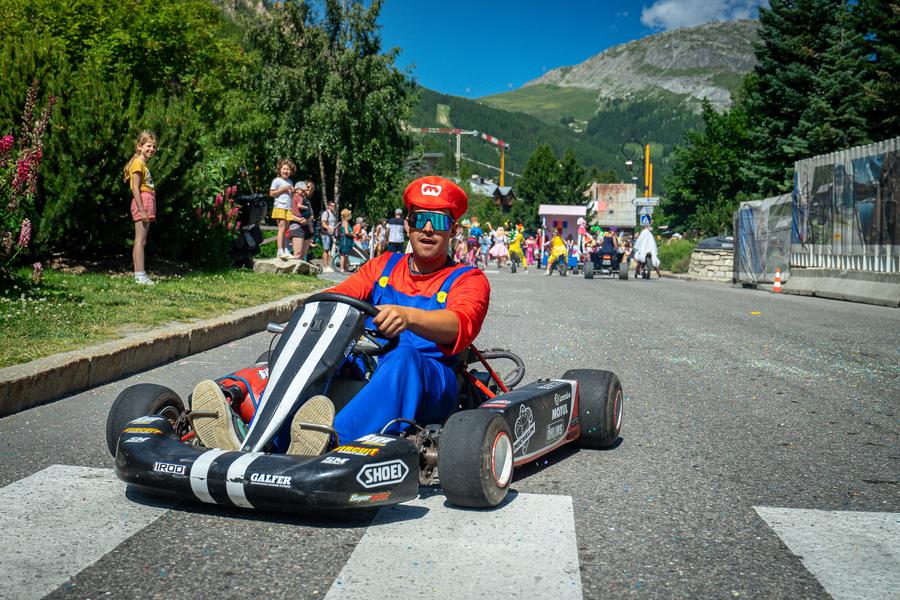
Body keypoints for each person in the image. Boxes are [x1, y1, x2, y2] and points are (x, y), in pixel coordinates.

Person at [189, 175, 490, 454]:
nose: (427, 229)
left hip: (431, 379)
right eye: (419, 219)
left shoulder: (468, 279)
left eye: (438, 220)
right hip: (370, 363)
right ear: (408, 225)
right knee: (319, 354)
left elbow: (460, 324)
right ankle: (247, 417)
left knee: (404, 358)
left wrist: (408, 317)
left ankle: (330, 441)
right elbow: (339, 297)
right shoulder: (384, 266)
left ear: (453, 229)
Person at [124, 130, 158, 285]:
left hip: (147, 199)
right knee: (139, 241)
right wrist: (142, 209)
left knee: (142, 241)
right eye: (148, 146)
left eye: (154, 147)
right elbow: (135, 188)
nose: (152, 149)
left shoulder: (143, 164)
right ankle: (140, 275)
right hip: (142, 201)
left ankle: (140, 275)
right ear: (139, 146)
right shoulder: (137, 163)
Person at [269, 159, 296, 259]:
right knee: (282, 228)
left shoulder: (290, 182)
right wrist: (282, 189)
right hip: (280, 207)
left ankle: (285, 249)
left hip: (288, 208)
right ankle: (280, 250)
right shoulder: (277, 180)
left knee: (286, 230)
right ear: (280, 170)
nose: (286, 171)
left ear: (291, 171)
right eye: (284, 169)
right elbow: (271, 193)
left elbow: (290, 197)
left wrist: (292, 191)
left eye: (288, 169)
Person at [320, 199, 337, 273]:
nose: (333, 207)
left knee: (329, 250)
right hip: (325, 233)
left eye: (334, 206)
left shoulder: (333, 213)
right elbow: (323, 224)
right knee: (326, 249)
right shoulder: (326, 213)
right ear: (328, 206)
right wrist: (330, 228)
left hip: (331, 234)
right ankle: (325, 266)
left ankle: (327, 265)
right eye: (332, 206)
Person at [338, 208, 354, 273]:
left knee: (345, 255)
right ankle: (342, 268)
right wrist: (353, 235)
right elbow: (347, 232)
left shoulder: (343, 222)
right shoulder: (346, 222)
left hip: (345, 240)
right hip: (345, 241)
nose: (350, 216)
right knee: (343, 255)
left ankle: (345, 268)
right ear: (347, 215)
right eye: (349, 215)